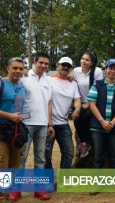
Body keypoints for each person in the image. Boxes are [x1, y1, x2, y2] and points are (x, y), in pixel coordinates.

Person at [18, 53, 53, 200]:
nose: (43, 66)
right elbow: (18, 98)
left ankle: (39, 189)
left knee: (41, 158)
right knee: (22, 157)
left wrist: (50, 123)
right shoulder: (24, 77)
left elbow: (49, 102)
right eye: (41, 63)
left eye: (46, 64)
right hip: (26, 124)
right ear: (34, 62)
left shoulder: (49, 80)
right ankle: (16, 190)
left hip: (43, 124)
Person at [88, 58, 115, 170]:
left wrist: (113, 122)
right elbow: (92, 104)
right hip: (98, 126)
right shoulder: (97, 84)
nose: (113, 71)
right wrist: (102, 121)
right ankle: (98, 183)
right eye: (110, 68)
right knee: (98, 156)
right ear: (105, 69)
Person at [45, 57, 81, 169]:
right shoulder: (48, 80)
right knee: (46, 154)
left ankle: (63, 181)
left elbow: (77, 100)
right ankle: (47, 183)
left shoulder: (73, 84)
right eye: (63, 65)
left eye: (68, 66)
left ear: (71, 68)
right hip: (47, 123)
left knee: (69, 152)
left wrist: (77, 109)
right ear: (57, 66)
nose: (65, 67)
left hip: (63, 123)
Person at [0, 58, 26, 202]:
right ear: (7, 69)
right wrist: (9, 116)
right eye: (14, 68)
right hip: (1, 131)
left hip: (16, 132)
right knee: (2, 164)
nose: (17, 71)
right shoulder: (1, 83)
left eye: (21, 69)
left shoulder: (22, 86)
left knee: (14, 164)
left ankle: (6, 194)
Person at [73, 51, 103, 158]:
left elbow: (98, 88)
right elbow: (74, 86)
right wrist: (80, 103)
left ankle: (88, 143)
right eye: (83, 59)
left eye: (87, 60)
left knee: (88, 116)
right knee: (77, 118)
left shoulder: (97, 71)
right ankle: (83, 143)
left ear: (92, 63)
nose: (84, 61)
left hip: (94, 101)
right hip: (80, 101)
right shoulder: (76, 71)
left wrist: (89, 103)